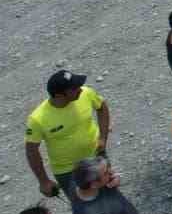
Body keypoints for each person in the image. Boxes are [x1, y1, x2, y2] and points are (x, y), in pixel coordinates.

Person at [26, 71, 110, 202]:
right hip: (68, 172)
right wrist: (43, 181)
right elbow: (31, 151)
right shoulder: (37, 119)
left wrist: (103, 138)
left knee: (111, 194)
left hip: (97, 158)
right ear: (59, 95)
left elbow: (101, 107)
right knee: (85, 206)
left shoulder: (87, 93)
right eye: (74, 88)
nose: (80, 90)